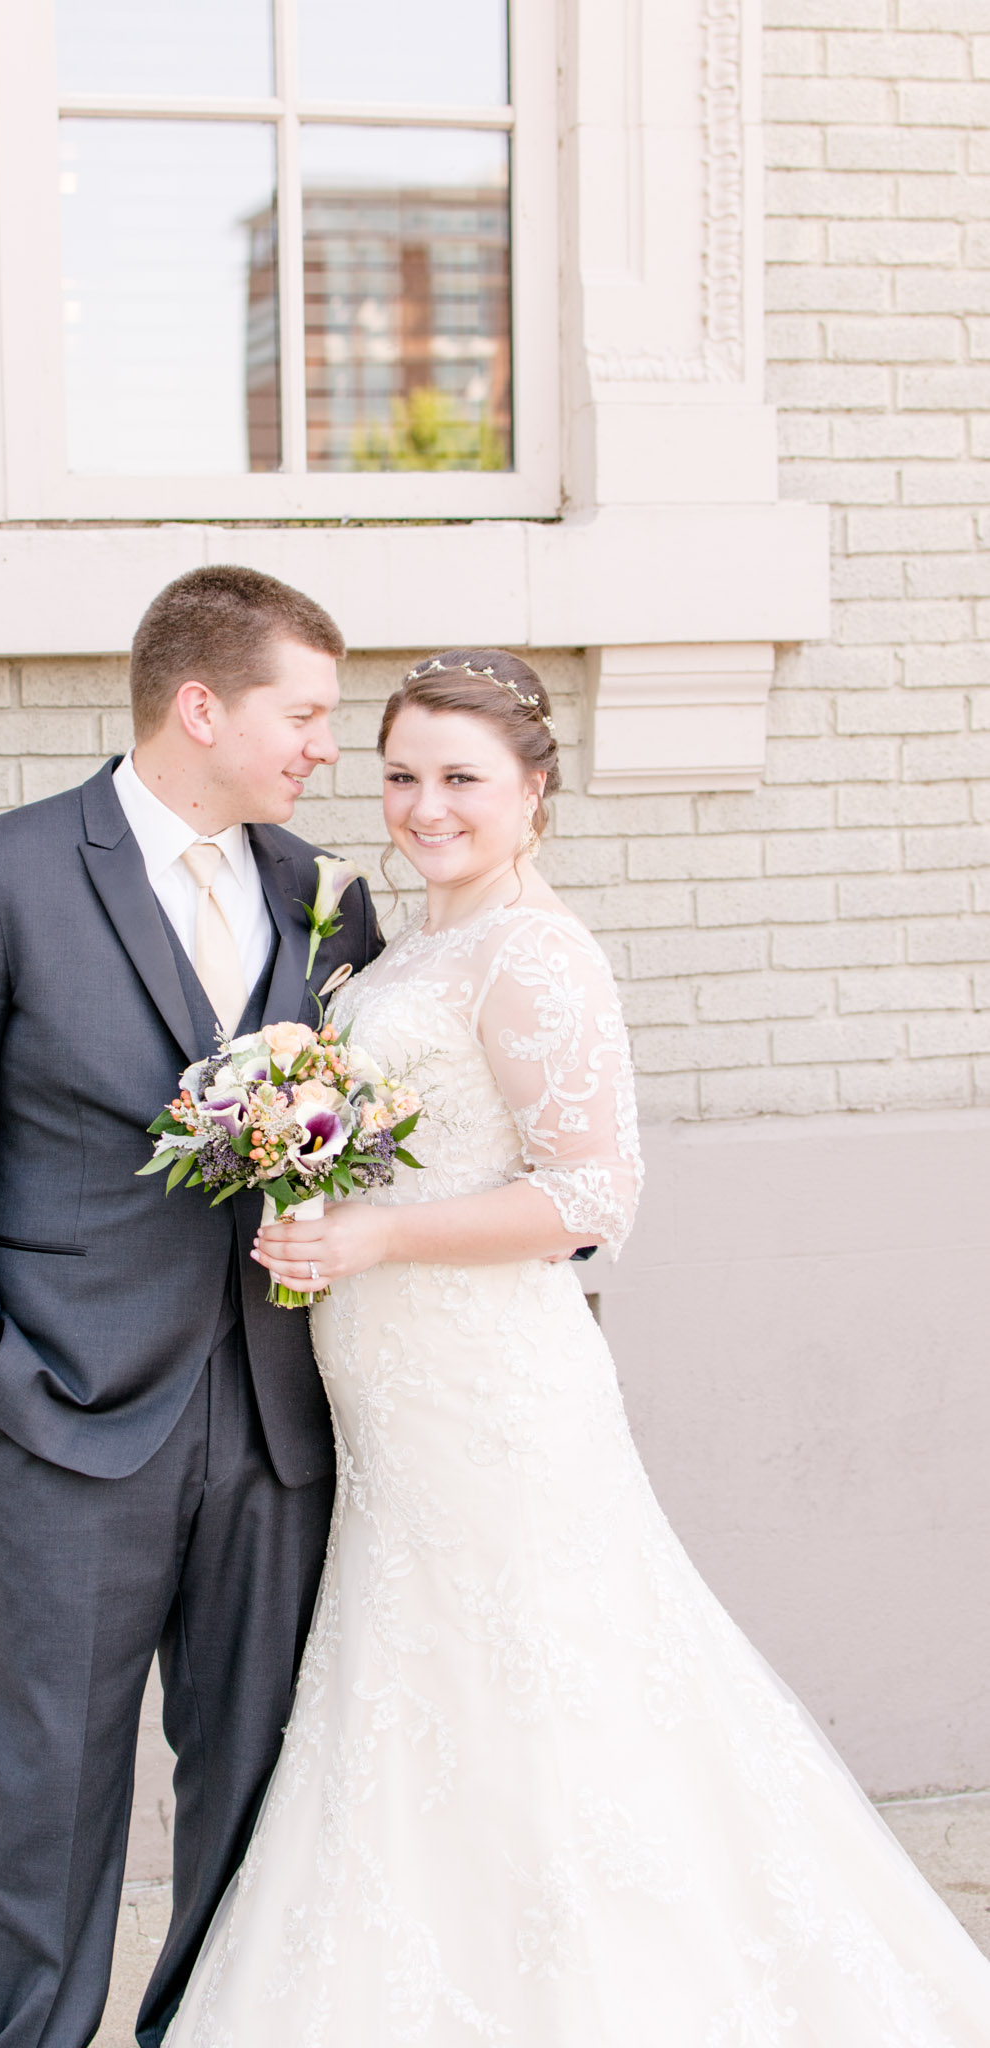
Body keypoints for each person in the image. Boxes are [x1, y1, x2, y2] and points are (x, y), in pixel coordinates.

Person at [164, 649, 990, 2046]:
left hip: (491, 1391)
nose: (428, 806)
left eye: (463, 779)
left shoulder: (534, 950)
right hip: (392, 1403)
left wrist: (369, 1241)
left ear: (534, 793)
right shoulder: (401, 951)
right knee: (419, 1685)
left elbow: (593, 1197)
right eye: (405, 773)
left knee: (550, 1686)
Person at [0, 566, 384, 2048]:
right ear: (200, 704)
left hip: (279, 1421)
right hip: (66, 1417)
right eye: (305, 713)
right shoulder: (2, 873)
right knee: (54, 1791)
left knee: (251, 1785)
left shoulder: (316, 888)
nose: (322, 750)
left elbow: (365, 1113)